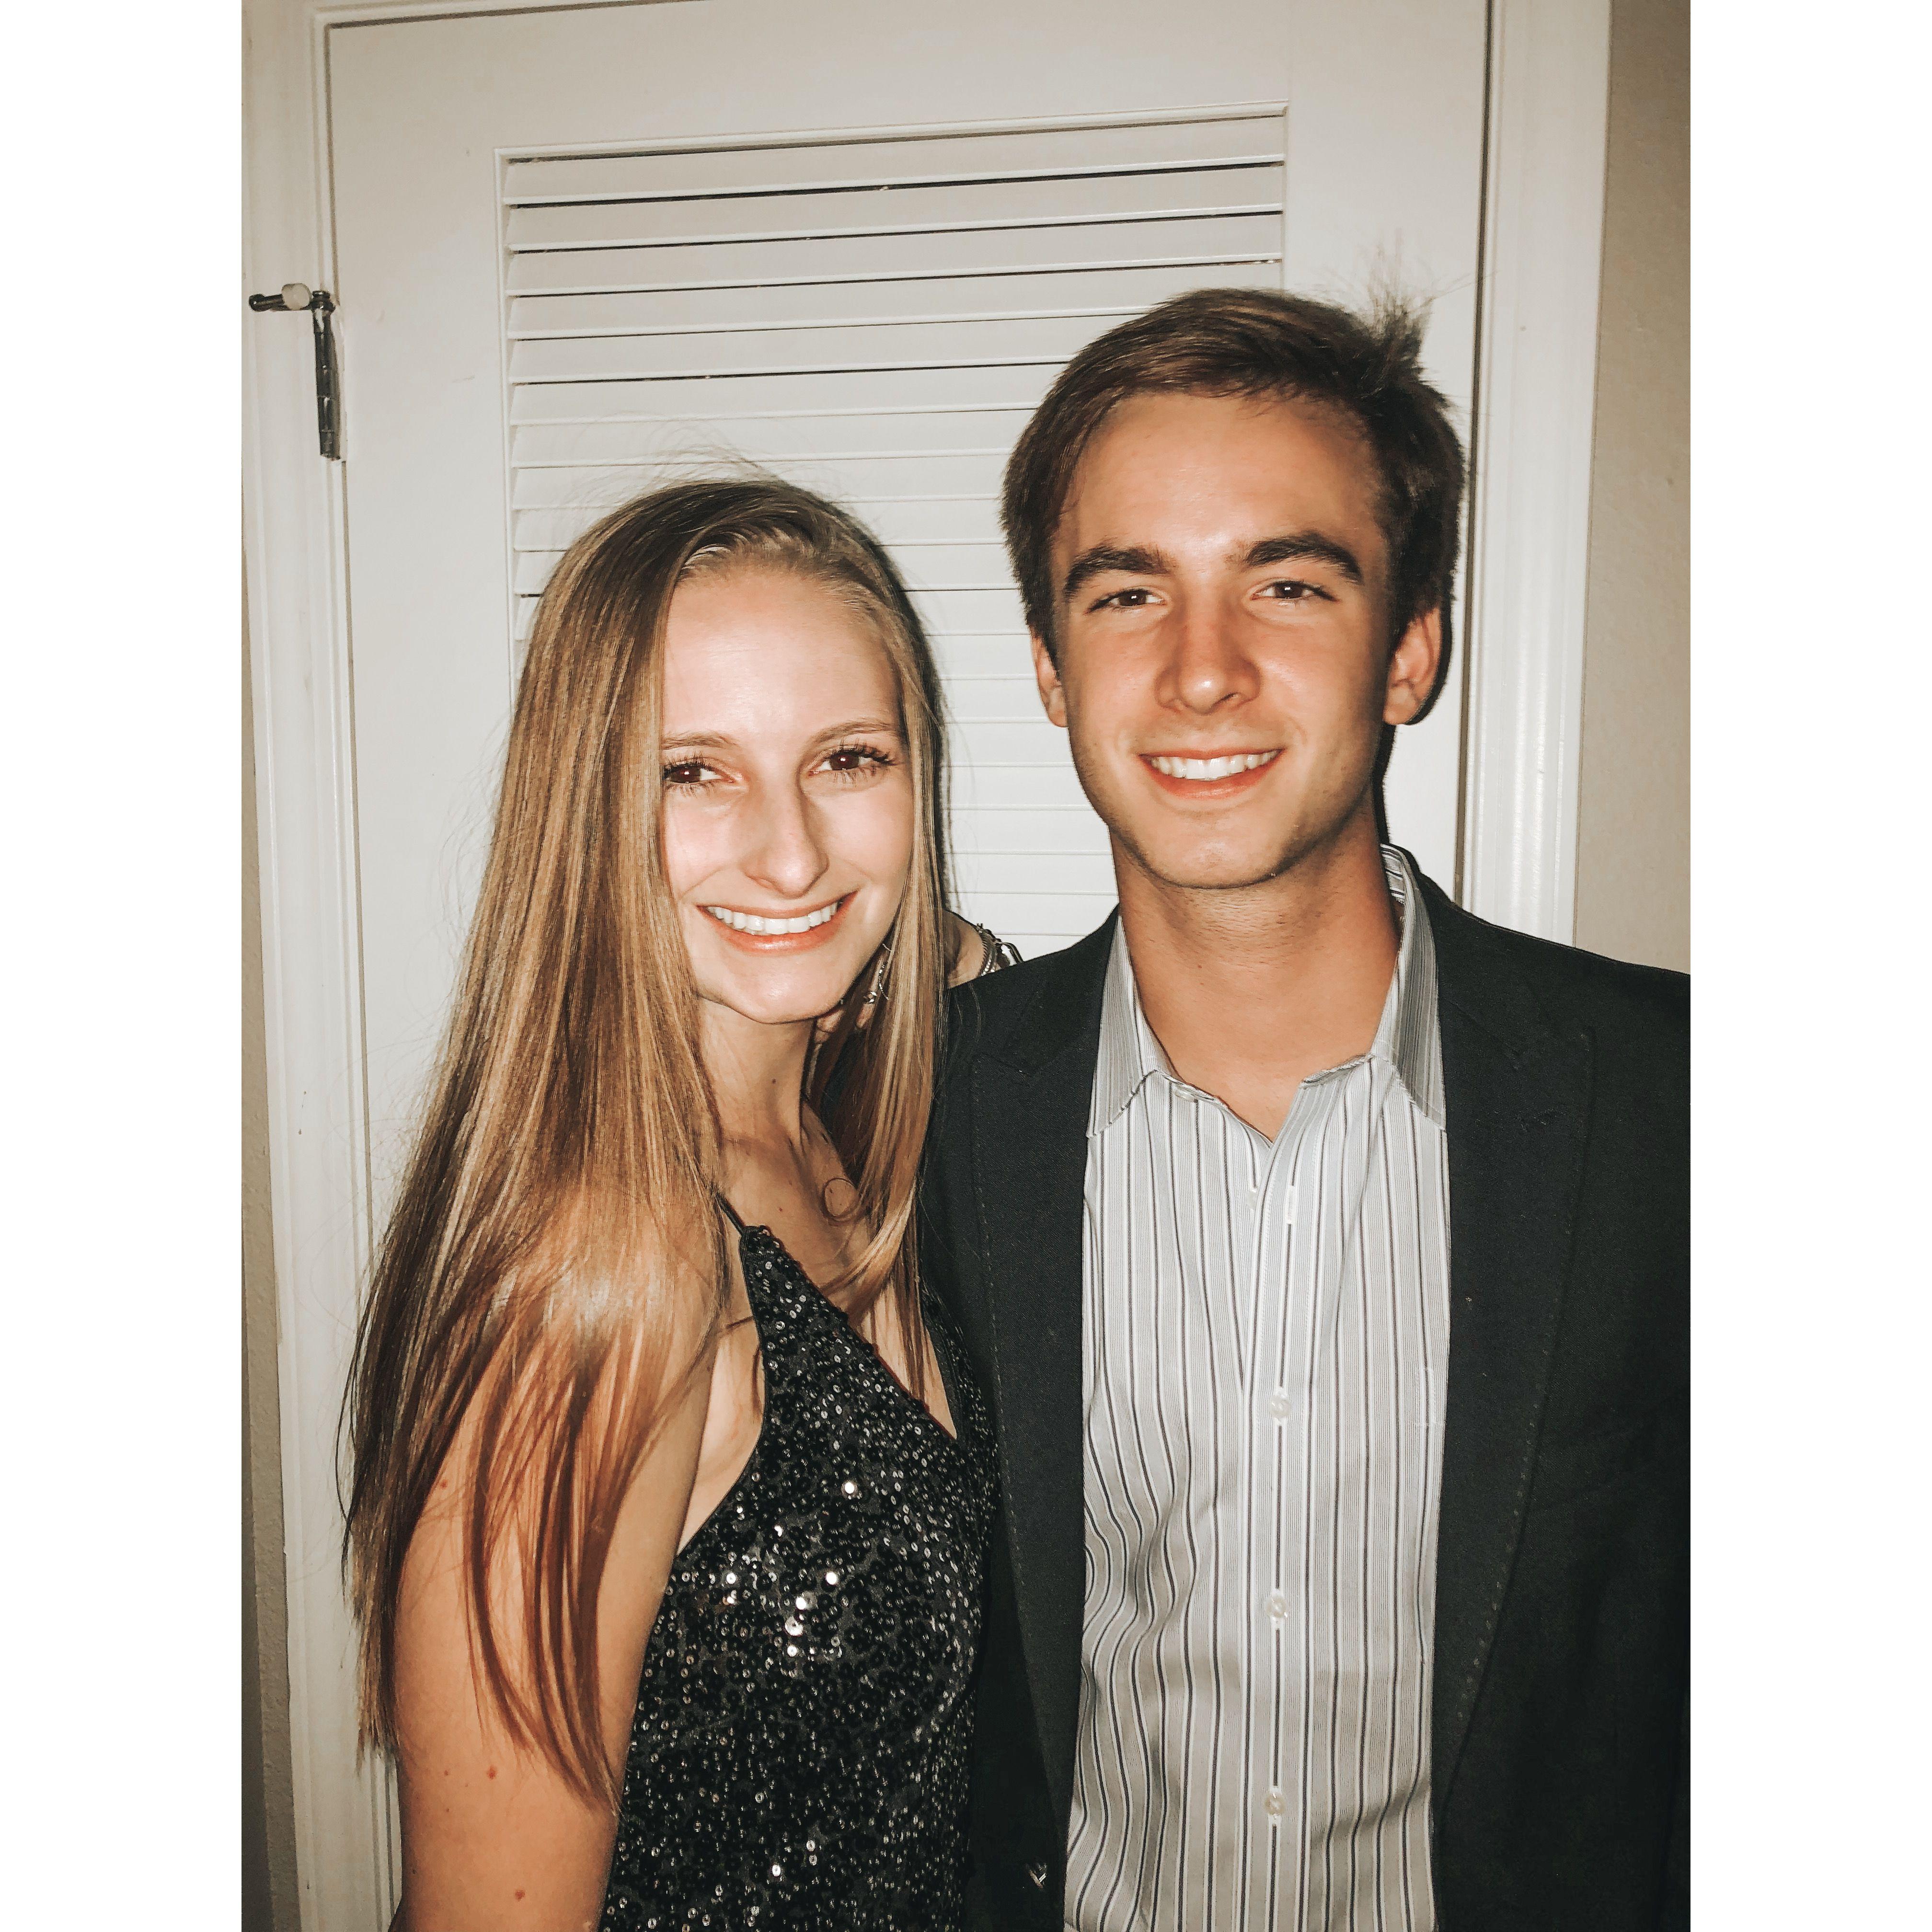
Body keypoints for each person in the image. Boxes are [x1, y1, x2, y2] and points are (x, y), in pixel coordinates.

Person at [921, 288, 1689, 1930]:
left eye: (1286, 583)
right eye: (1129, 592)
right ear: (1051, 668)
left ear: (1409, 648)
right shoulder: (922, 1114)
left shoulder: (1677, 1106)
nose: (1202, 671)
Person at [343, 478, 1014, 1931]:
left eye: (848, 759)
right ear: (588, 808)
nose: (791, 852)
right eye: (693, 772)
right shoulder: (606, 1281)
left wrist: (930, 950)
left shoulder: (825, 1126)